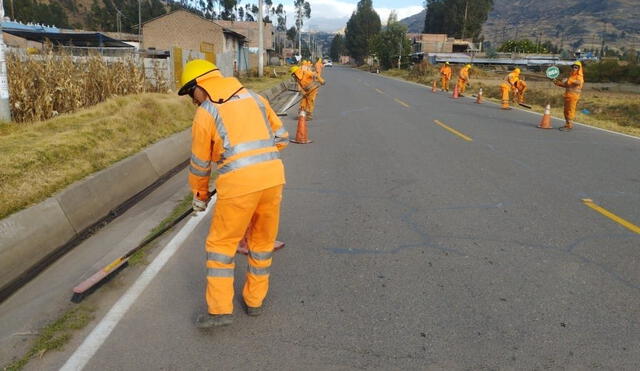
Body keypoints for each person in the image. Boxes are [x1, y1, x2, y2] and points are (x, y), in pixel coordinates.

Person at [178, 59, 289, 328]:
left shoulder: (207, 112)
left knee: (221, 246)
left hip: (239, 186)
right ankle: (254, 302)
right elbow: (282, 138)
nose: (193, 101)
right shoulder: (256, 98)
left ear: (200, 86)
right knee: (261, 243)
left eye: (191, 93)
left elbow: (200, 164)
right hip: (273, 178)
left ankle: (219, 311)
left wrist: (200, 196)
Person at [553, 61, 584, 131]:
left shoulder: (579, 76)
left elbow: (578, 82)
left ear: (579, 68)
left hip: (573, 97)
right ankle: (567, 124)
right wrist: (557, 83)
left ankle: (569, 126)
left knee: (570, 111)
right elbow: (567, 85)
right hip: (568, 96)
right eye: (573, 67)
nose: (574, 68)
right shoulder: (572, 76)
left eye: (576, 67)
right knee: (566, 111)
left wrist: (568, 80)